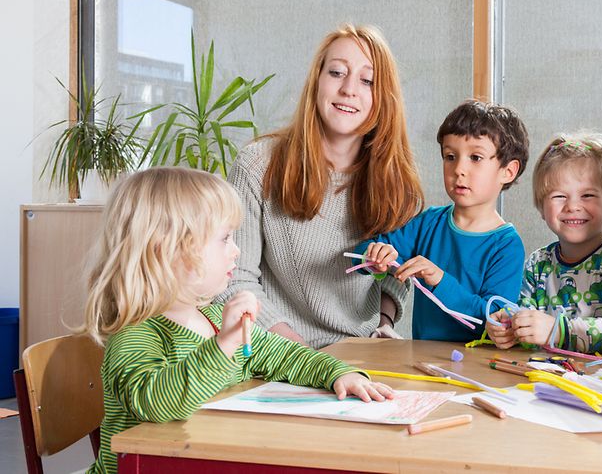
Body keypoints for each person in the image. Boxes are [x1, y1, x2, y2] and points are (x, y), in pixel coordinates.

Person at [82, 167, 392, 474]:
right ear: (169, 249)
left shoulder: (216, 318)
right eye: (224, 239)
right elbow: (159, 404)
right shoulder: (136, 335)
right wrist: (223, 345)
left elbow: (285, 355)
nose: (236, 251)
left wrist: (338, 374)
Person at [217, 24, 424, 348]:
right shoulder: (258, 166)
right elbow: (235, 279)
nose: (349, 89)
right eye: (337, 72)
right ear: (316, 82)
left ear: (384, 97)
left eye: (367, 80)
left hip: (365, 352)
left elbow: (399, 272)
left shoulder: (398, 181)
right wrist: (298, 353)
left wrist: (383, 324)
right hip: (280, 353)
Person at [359, 99, 529, 341]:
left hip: (476, 368)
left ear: (508, 171)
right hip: (422, 361)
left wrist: (440, 280)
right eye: (450, 156)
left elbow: (496, 320)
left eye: (476, 158)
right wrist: (375, 257)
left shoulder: (506, 246)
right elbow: (363, 251)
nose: (459, 169)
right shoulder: (428, 223)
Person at [486, 133, 602, 353]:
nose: (572, 206)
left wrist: (558, 330)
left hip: (601, 381)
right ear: (542, 208)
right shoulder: (538, 264)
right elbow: (526, 321)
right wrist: (508, 327)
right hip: (543, 379)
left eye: (588, 195)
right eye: (559, 196)